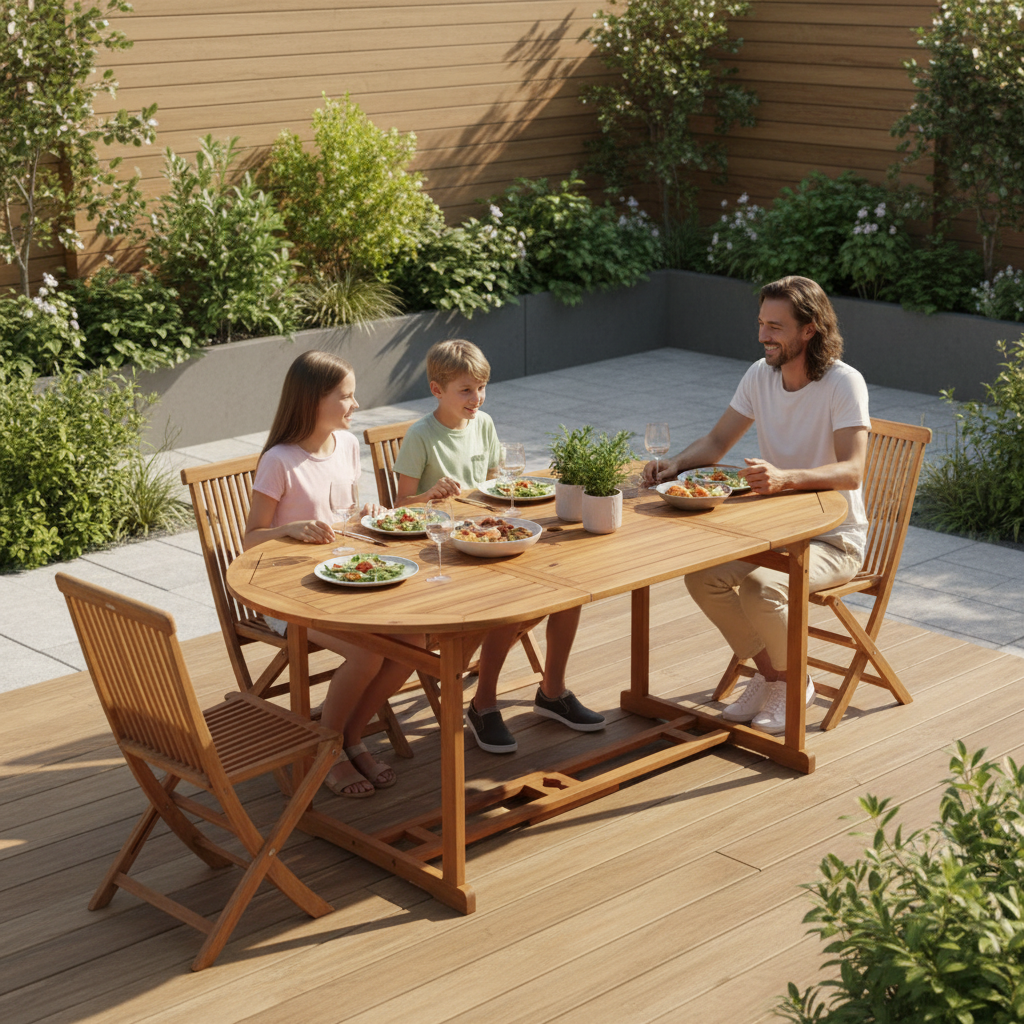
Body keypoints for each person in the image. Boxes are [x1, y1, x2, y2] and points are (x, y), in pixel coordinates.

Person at [642, 276, 870, 735]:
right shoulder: (759, 375)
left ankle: (792, 682)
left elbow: (852, 470)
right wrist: (676, 464)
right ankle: (772, 676)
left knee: (761, 588)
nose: (763, 335)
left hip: (833, 540)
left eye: (776, 326)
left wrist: (786, 478)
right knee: (703, 578)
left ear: (809, 329)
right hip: (776, 533)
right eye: (761, 323)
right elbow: (718, 440)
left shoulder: (844, 383)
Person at [392, 339, 605, 753]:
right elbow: (399, 505)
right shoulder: (421, 435)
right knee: (513, 602)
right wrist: (432, 493)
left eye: (481, 388)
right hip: (441, 550)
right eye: (466, 390)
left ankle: (552, 691)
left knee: (570, 590)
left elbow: (493, 487)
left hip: (488, 538)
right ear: (437, 391)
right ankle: (483, 704)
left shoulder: (484, 423)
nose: (477, 398)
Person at [244, 350, 424, 798]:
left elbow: (345, 511)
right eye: (345, 396)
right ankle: (328, 752)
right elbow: (249, 540)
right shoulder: (279, 461)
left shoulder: (345, 444)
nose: (355, 405)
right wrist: (289, 529)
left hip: (344, 582)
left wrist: (370, 512)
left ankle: (351, 736)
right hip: (288, 597)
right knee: (366, 654)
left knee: (413, 645)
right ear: (312, 401)